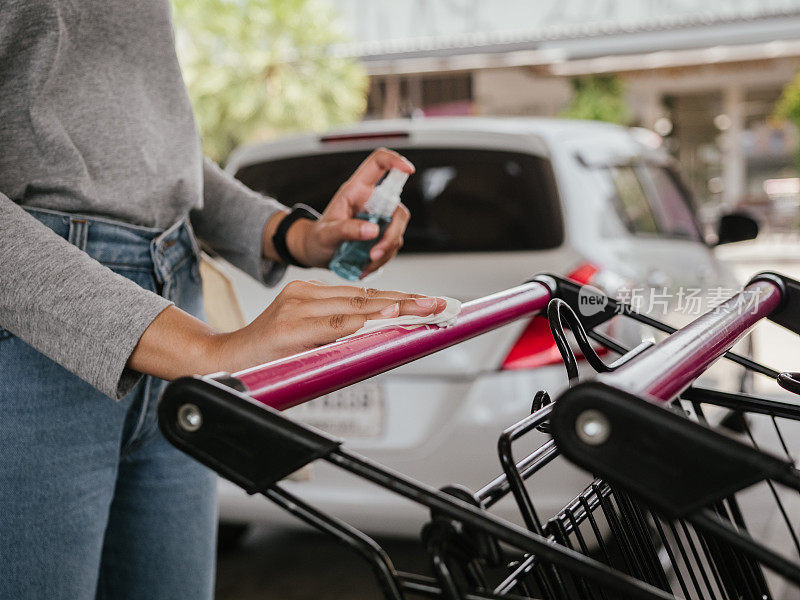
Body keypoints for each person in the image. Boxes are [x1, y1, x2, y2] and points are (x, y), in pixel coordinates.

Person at [0, 2, 444, 598]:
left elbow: (164, 156)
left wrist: (295, 235)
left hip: (178, 298)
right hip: (38, 338)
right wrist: (205, 348)